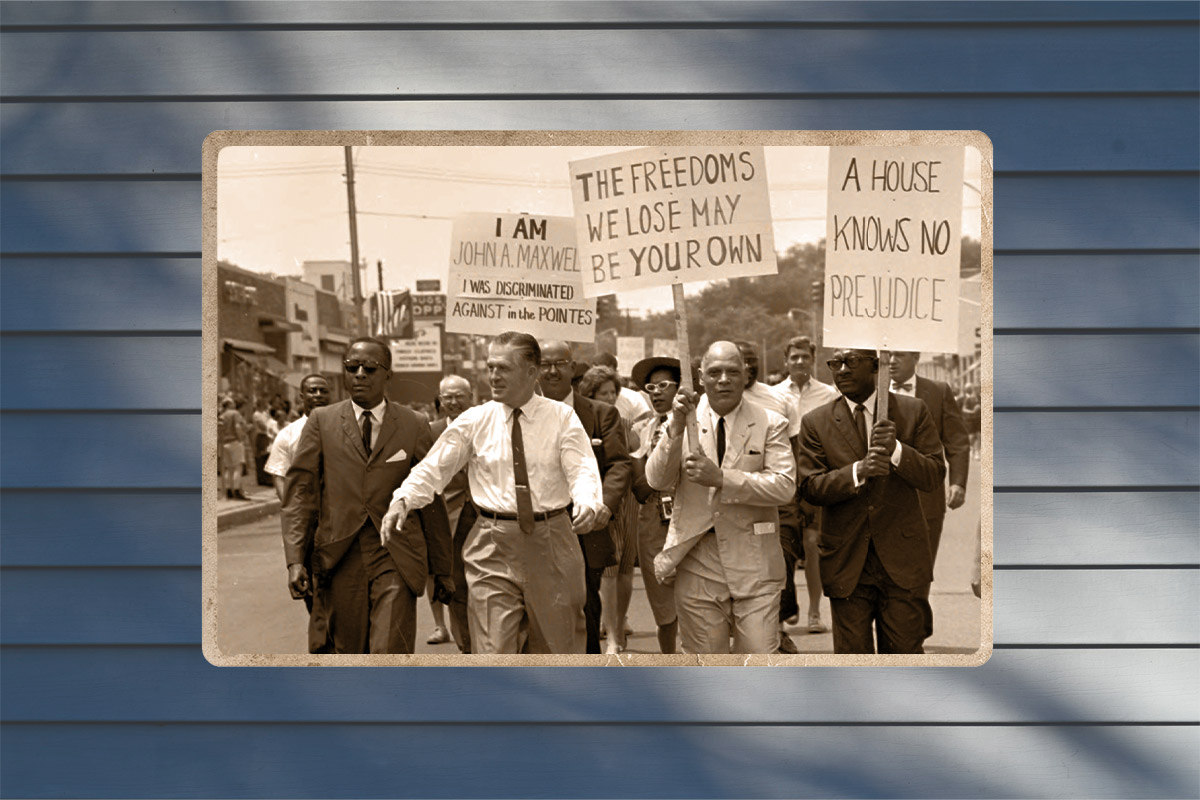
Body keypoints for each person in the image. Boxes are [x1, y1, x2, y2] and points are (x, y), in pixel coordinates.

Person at [382, 332, 603, 654]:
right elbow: (434, 468)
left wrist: (588, 502)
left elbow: (581, 467)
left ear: (531, 371)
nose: (494, 376)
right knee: (492, 648)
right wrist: (403, 499)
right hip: (491, 545)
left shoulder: (561, 417)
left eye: (504, 368)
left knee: (558, 650)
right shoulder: (475, 420)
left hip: (552, 543)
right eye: (490, 367)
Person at [282, 337, 454, 654]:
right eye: (351, 367)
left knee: (389, 647)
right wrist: (295, 560)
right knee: (349, 650)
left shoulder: (414, 424)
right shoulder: (322, 422)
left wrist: (443, 566)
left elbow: (430, 498)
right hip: (340, 554)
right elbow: (299, 496)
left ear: (387, 374)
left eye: (369, 368)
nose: (359, 374)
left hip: (396, 552)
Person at [646, 341, 796, 654]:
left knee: (758, 663)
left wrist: (722, 479)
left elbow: (784, 486)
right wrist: (674, 429)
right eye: (714, 372)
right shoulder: (682, 421)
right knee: (705, 666)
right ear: (700, 378)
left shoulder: (771, 423)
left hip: (755, 560)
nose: (723, 379)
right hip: (698, 557)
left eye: (732, 372)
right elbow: (657, 479)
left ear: (746, 376)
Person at [796, 348, 945, 654]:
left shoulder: (912, 411)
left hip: (903, 562)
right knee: (854, 664)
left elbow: (933, 475)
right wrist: (857, 472)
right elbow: (809, 487)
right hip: (847, 562)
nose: (842, 370)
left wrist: (897, 451)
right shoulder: (816, 422)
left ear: (877, 365)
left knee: (905, 659)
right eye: (835, 363)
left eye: (852, 361)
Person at [539, 342, 633, 655]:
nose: (552, 371)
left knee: (587, 610)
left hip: (585, 531)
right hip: (536, 534)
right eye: (545, 363)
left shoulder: (601, 414)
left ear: (572, 368)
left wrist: (603, 504)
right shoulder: (520, 415)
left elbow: (619, 464)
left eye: (560, 364)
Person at [732, 340, 805, 652]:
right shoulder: (716, 400)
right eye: (741, 362)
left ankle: (775, 629)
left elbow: (797, 448)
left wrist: (798, 494)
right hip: (734, 499)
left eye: (751, 362)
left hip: (778, 498)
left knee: (781, 560)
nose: (747, 368)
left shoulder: (778, 399)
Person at [772, 335, 839, 633]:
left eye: (804, 356)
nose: (799, 361)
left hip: (815, 477)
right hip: (783, 477)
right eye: (794, 357)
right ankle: (785, 610)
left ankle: (814, 612)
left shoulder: (829, 394)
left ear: (813, 360)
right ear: (785, 361)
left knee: (813, 545)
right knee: (782, 546)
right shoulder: (772, 395)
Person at [577, 364, 639, 655]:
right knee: (608, 572)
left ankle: (619, 624)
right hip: (599, 502)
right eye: (604, 393)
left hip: (626, 503)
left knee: (625, 568)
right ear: (590, 394)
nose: (610, 398)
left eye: (614, 392)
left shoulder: (623, 421)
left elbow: (634, 455)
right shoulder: (581, 418)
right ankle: (611, 634)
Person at [889, 351, 971, 565]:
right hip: (884, 498)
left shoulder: (938, 391)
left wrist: (957, 483)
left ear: (915, 358)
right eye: (888, 355)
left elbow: (957, 440)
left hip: (927, 497)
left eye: (899, 355)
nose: (891, 360)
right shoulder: (874, 391)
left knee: (921, 571)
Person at [628, 356, 683, 654]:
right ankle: (669, 661)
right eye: (651, 387)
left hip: (687, 515)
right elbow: (640, 487)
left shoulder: (696, 425)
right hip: (652, 521)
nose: (657, 393)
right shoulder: (643, 429)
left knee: (694, 600)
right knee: (663, 606)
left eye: (664, 385)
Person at [425, 374, 475, 650]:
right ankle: (466, 644)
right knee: (455, 582)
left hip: (484, 514)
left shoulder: (485, 425)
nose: (454, 402)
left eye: (459, 396)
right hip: (449, 517)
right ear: (440, 400)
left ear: (471, 397)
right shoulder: (430, 431)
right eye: (448, 397)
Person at [591, 350, 654, 427]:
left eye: (613, 392)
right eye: (597, 373)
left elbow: (645, 427)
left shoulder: (633, 398)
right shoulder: (585, 399)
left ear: (615, 372)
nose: (610, 398)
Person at [219, 396, 250, 500]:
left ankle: (228, 491)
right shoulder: (235, 414)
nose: (234, 404)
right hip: (234, 441)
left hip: (225, 443)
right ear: (229, 404)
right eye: (232, 402)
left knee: (229, 468)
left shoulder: (222, 415)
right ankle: (236, 490)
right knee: (238, 467)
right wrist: (241, 438)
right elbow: (237, 426)